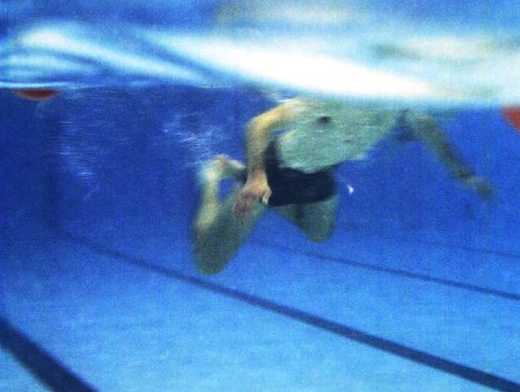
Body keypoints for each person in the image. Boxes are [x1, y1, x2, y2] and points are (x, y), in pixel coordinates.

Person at [192, 97, 494, 274]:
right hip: (273, 170)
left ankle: (238, 173)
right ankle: (215, 175)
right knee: (209, 263)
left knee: (318, 234)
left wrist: (464, 175)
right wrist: (256, 178)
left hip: (320, 174)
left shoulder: (406, 107)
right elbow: (258, 125)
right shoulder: (336, 97)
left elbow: (433, 136)